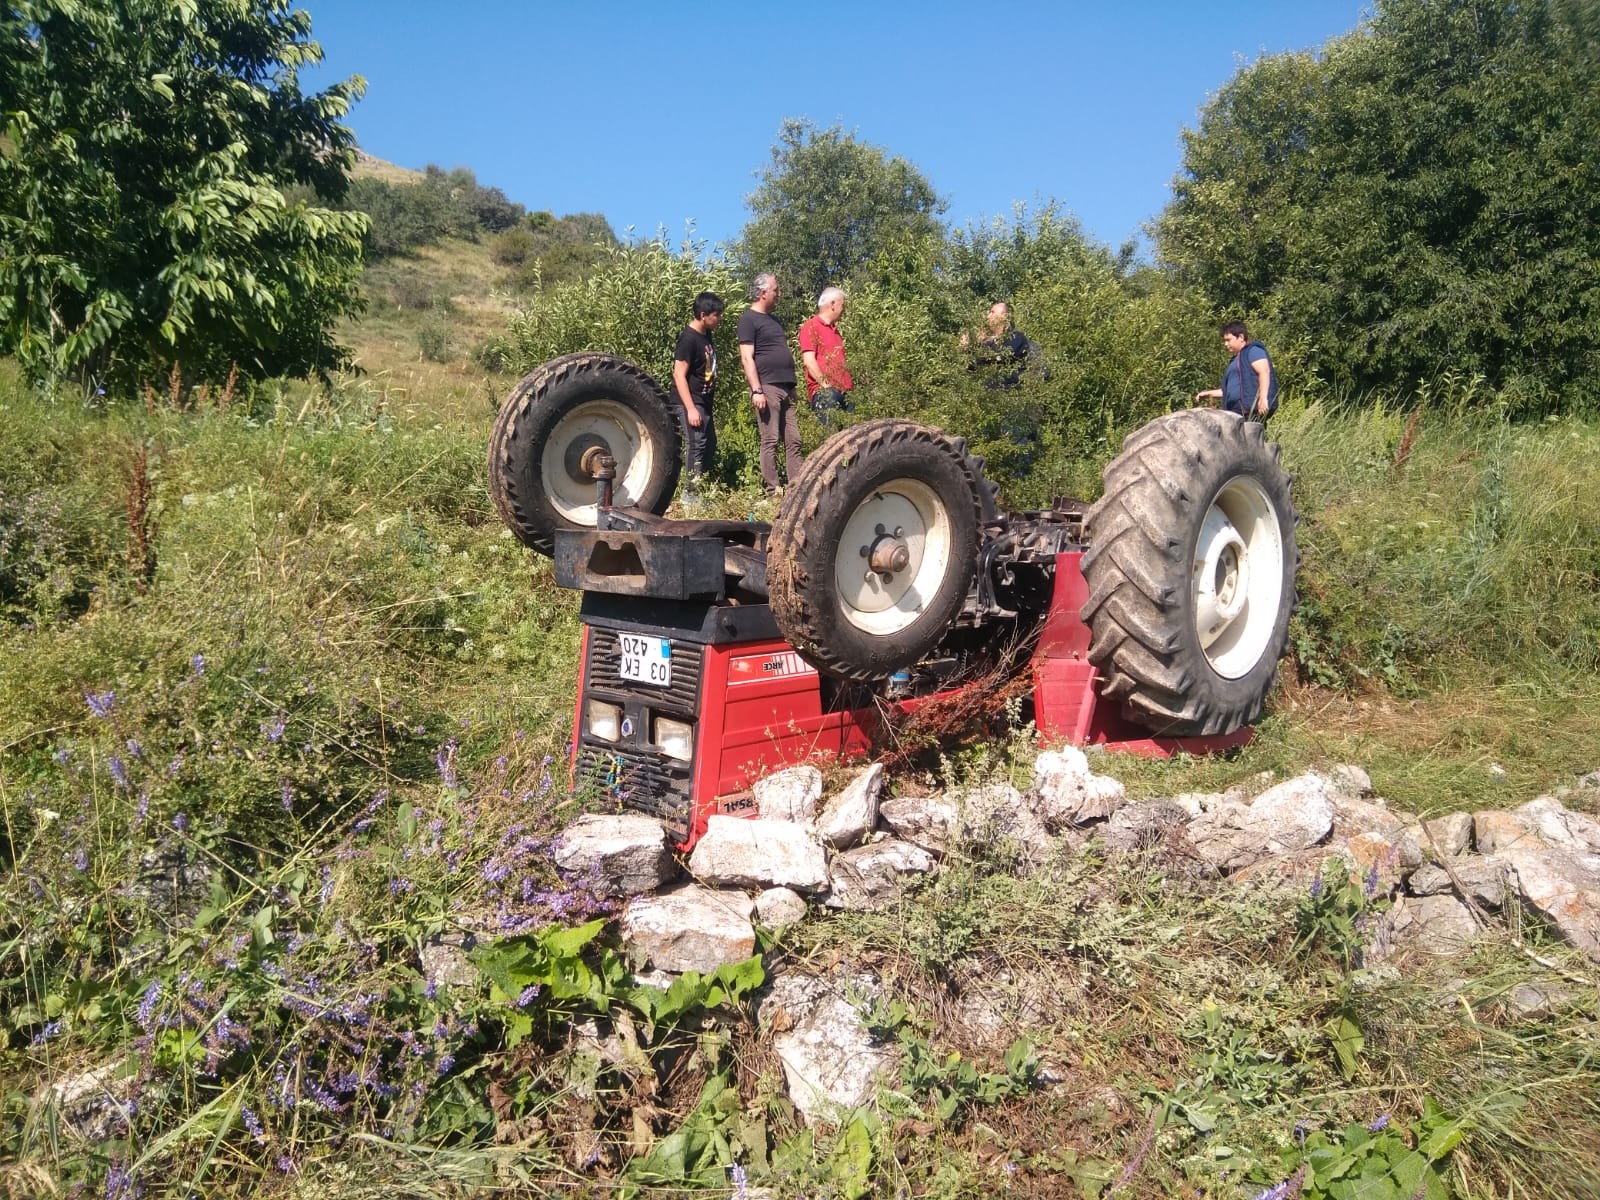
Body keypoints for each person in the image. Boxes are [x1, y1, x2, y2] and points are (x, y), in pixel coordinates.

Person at [736, 272, 802, 495]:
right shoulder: (748, 319)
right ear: (763, 293)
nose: (779, 294)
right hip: (767, 387)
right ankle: (772, 491)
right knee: (771, 439)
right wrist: (756, 390)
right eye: (776, 290)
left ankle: (796, 490)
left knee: (794, 440)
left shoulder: (774, 321)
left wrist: (792, 387)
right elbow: (746, 358)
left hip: (785, 387)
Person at [671, 291, 723, 501]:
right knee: (697, 444)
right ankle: (689, 497)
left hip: (704, 401)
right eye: (716, 315)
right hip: (689, 402)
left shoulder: (705, 335)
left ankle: (701, 491)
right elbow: (679, 374)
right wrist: (691, 408)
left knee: (709, 445)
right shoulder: (689, 339)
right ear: (703, 315)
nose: (719, 318)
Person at [1195, 320, 1277, 419]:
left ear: (1241, 337)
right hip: (1234, 412)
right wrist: (1209, 393)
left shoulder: (1253, 351)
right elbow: (1230, 390)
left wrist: (1263, 399)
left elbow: (1264, 372)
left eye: (1228, 340)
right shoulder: (1236, 360)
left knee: (1250, 434)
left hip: (1250, 410)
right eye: (1224, 341)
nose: (1225, 344)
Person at [797, 286, 853, 428]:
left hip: (846, 394)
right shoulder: (811, 327)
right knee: (833, 441)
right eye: (843, 304)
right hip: (825, 393)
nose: (844, 309)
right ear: (832, 304)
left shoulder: (835, 331)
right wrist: (827, 388)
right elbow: (809, 361)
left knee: (855, 442)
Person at [973, 301, 1038, 390]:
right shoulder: (987, 342)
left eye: (992, 312)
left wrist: (981, 344)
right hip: (986, 392)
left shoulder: (1016, 337)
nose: (988, 317)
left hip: (1010, 392)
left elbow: (1002, 356)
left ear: (1005, 316)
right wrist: (968, 347)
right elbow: (973, 366)